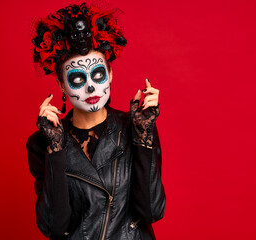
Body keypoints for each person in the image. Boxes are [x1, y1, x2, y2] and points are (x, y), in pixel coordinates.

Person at [26, 3, 165, 240]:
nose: (91, 86)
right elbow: (53, 227)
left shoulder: (136, 127)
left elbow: (152, 211)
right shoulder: (43, 143)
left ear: (110, 74)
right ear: (61, 84)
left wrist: (144, 139)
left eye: (98, 74)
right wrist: (56, 152)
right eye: (77, 78)